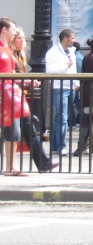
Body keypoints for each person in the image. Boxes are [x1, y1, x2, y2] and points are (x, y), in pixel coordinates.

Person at [10, 28, 55, 172]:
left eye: (23, 38)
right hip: (11, 98)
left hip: (19, 98)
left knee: (30, 130)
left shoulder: (20, 56)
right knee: (12, 133)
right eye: (19, 38)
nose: (23, 41)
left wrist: (28, 82)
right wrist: (28, 82)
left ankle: (44, 163)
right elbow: (8, 79)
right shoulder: (10, 55)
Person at [1, 17, 28, 176]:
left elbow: (10, 74)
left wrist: (23, 81)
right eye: (12, 29)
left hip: (10, 95)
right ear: (4, 30)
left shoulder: (8, 50)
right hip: (3, 95)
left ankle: (10, 167)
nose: (14, 33)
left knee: (14, 131)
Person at [44, 28, 77, 157]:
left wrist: (76, 83)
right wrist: (66, 65)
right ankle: (61, 146)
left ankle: (55, 145)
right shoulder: (53, 52)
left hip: (70, 86)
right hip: (59, 87)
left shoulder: (71, 51)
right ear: (65, 38)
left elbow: (73, 69)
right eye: (72, 38)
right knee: (62, 117)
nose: (74, 40)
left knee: (64, 117)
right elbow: (51, 70)